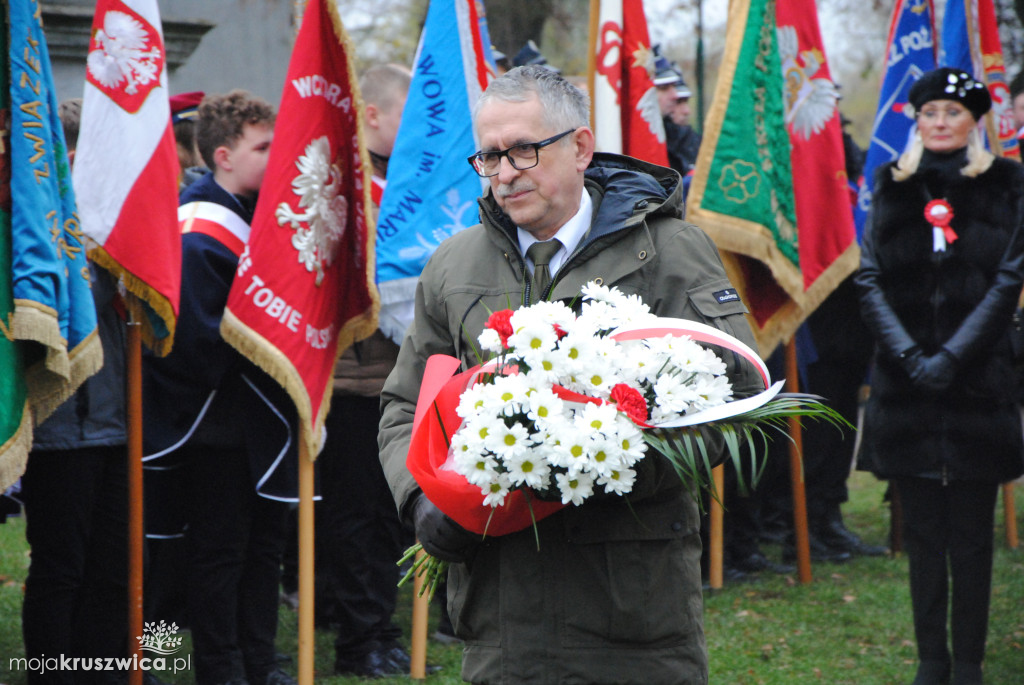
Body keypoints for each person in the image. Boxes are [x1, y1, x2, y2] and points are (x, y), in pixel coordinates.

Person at [378, 64, 762, 684]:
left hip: (630, 608)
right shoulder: (453, 263)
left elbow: (737, 397)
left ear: (580, 147)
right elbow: (403, 405)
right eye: (490, 156)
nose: (505, 173)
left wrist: (599, 463)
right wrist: (421, 499)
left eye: (524, 151)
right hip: (499, 612)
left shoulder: (669, 252)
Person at [856, 67, 1024, 685]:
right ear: (917, 121)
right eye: (929, 114)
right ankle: (932, 660)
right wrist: (908, 355)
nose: (940, 123)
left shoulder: (1006, 183)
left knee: (973, 538)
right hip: (908, 390)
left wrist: (953, 356)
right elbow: (869, 277)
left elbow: (1009, 278)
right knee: (923, 534)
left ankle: (971, 662)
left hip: (977, 385)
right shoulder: (892, 185)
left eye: (953, 113)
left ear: (974, 122)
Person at [143, 90, 297, 685]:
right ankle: (218, 665)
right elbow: (196, 340)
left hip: (259, 422)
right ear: (225, 155)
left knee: (263, 550)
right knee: (214, 553)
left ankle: (260, 660)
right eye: (265, 147)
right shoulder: (199, 230)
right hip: (212, 426)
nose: (276, 157)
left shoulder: (258, 213)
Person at [19, 97, 132, 685]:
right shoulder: (26, 232)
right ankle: (52, 673)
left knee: (112, 565)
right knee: (62, 565)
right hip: (57, 424)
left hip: (116, 418)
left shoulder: (114, 225)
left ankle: (103, 669)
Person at [315, 63, 415, 679]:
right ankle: (358, 640)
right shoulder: (343, 188)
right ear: (371, 116)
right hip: (354, 383)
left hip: (403, 379)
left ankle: (384, 628)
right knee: (355, 519)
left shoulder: (411, 187)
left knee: (391, 515)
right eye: (409, 118)